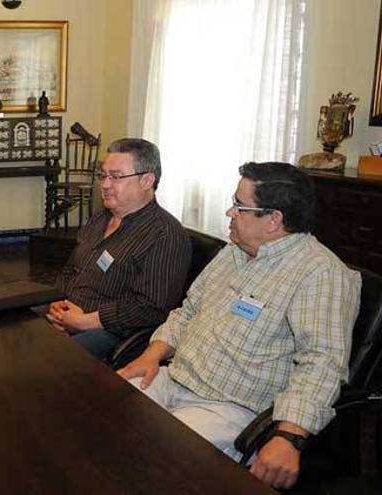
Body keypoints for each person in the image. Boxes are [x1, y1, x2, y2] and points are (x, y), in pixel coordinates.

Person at [118, 162, 361, 490]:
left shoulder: (320, 275)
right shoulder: (234, 251)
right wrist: (152, 354)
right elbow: (188, 311)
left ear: (273, 220)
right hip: (173, 376)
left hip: (229, 406)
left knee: (149, 468)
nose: (229, 212)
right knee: (103, 419)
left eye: (240, 206)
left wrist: (289, 437)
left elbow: (322, 364)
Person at [47, 138, 191, 359]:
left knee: (45, 356)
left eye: (116, 177)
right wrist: (58, 305)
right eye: (103, 175)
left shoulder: (166, 234)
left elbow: (151, 307)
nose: (104, 184)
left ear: (147, 180)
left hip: (111, 331)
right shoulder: (99, 219)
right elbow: (71, 270)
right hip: (67, 313)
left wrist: (85, 321)